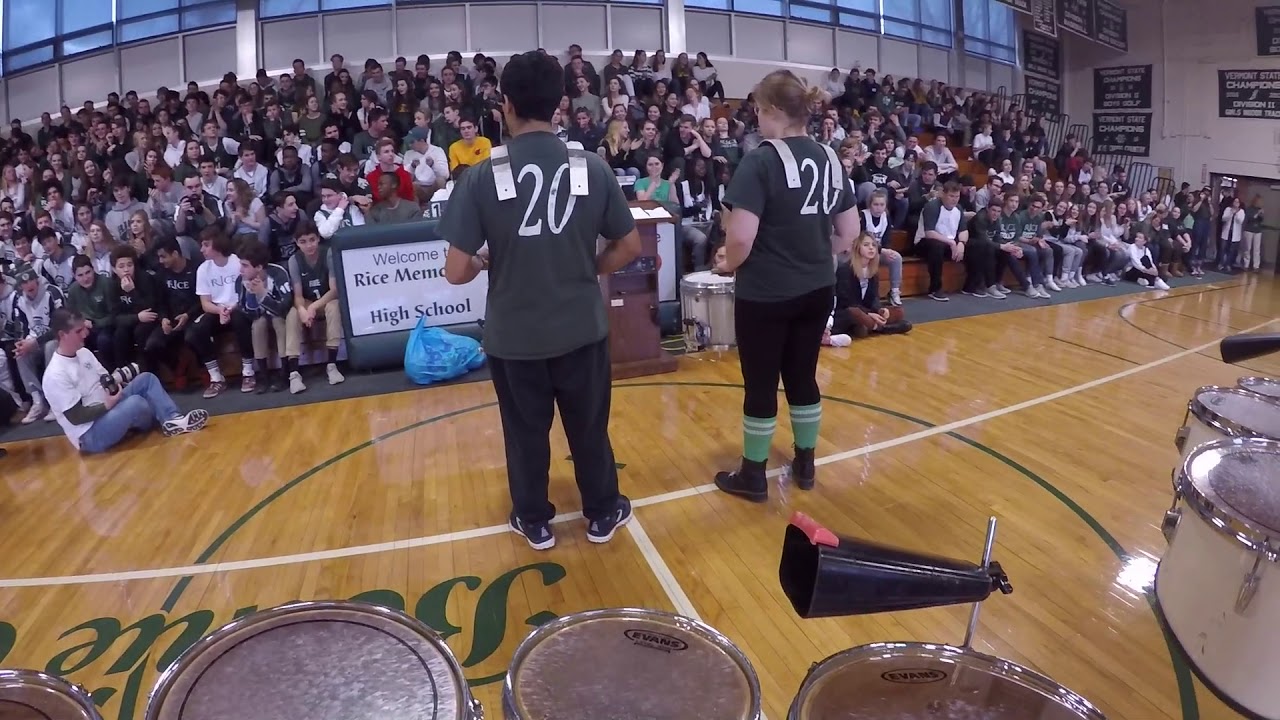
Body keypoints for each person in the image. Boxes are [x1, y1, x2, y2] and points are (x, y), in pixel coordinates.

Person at [440, 50, 643, 551]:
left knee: (525, 432)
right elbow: (630, 245)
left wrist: (488, 261)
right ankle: (601, 511)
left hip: (514, 336)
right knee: (589, 426)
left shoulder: (482, 174)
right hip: (580, 327)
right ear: (560, 104)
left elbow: (455, 271)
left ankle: (533, 518)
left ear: (504, 105)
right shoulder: (592, 167)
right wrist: (587, 268)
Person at [711, 69, 860, 501]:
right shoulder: (830, 157)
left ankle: (754, 475)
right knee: (802, 377)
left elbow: (739, 238)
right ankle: (806, 463)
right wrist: (814, 252)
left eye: (758, 109)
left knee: (760, 384)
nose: (755, 118)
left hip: (766, 293)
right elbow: (848, 234)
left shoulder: (760, 160)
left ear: (774, 110)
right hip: (817, 288)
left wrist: (728, 265)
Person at [41, 309, 208, 453]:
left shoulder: (84, 353)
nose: (85, 334)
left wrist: (118, 387)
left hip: (108, 408)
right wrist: (109, 405)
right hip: (89, 433)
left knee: (147, 379)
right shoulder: (56, 374)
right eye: (79, 331)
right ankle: (154, 415)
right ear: (62, 335)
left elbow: (106, 380)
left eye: (84, 328)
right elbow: (76, 417)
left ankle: (173, 420)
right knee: (136, 403)